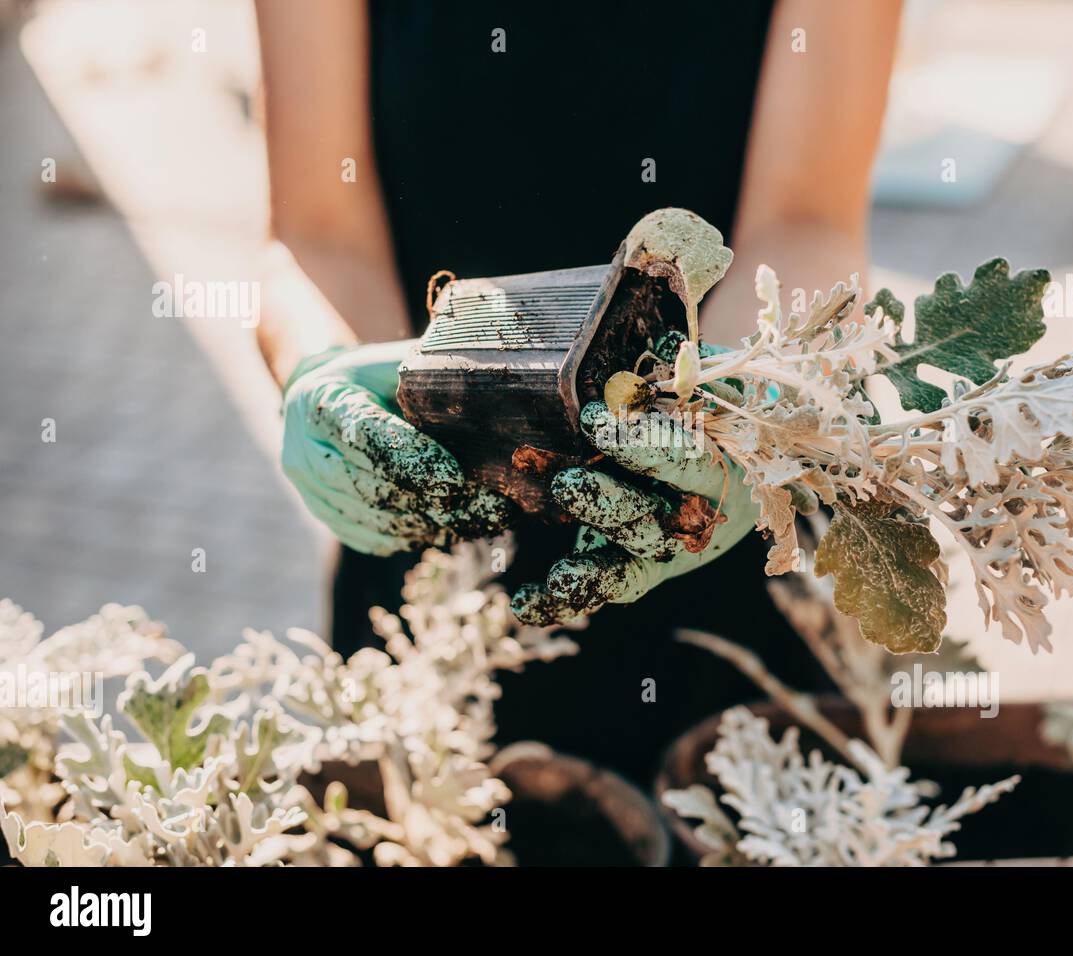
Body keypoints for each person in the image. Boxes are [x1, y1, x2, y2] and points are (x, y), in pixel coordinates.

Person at [254, 0, 902, 785]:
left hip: (717, 517)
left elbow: (806, 222)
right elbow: (317, 230)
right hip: (435, 522)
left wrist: (741, 415)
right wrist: (325, 368)